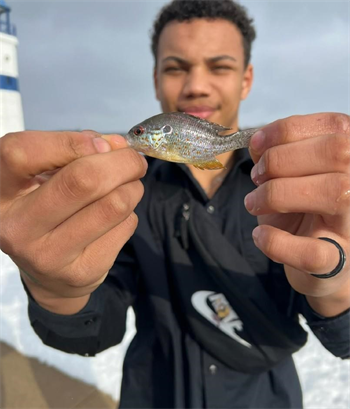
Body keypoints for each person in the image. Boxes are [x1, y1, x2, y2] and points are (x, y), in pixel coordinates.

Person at [0, 0, 349, 408]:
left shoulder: (290, 191)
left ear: (247, 79)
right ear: (155, 79)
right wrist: (56, 288)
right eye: (175, 67)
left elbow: (342, 338)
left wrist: (337, 281)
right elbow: (95, 329)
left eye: (219, 66)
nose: (196, 85)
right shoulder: (124, 192)